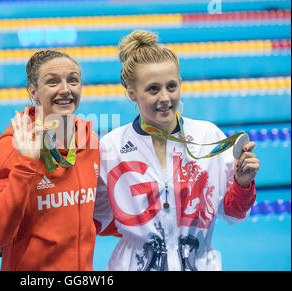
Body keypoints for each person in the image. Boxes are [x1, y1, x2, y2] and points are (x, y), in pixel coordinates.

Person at [93, 30, 260, 271]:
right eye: (152, 89)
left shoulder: (209, 137)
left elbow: (233, 213)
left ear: (180, 83)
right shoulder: (110, 147)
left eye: (171, 86)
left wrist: (243, 183)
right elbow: (96, 220)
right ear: (132, 93)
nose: (165, 97)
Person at [0, 49, 100, 270]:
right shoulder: (12, 146)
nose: (66, 89)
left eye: (73, 80)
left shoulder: (90, 141)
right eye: (53, 82)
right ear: (33, 91)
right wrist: (26, 163)